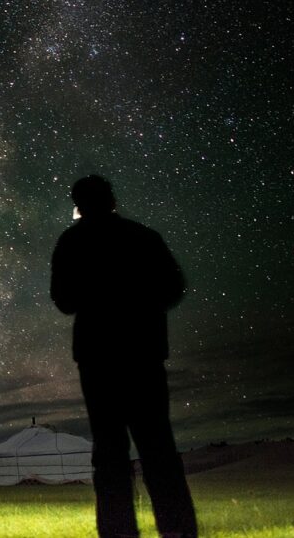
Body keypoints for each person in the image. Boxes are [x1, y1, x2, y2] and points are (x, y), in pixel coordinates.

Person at [51, 175, 197, 538]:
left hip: (98, 357)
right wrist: (141, 306)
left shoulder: (72, 242)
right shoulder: (142, 237)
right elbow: (173, 287)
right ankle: (178, 530)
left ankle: (118, 532)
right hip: (142, 353)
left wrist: (96, 297)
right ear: (112, 199)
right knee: (158, 445)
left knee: (110, 451)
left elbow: (64, 300)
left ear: (78, 204)